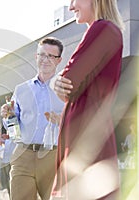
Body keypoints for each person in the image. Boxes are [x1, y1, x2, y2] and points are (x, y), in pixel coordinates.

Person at [49, 0, 124, 199]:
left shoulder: (101, 28)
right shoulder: (106, 30)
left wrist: (56, 81)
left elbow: (68, 84)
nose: (71, 6)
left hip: (84, 135)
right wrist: (57, 82)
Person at [0, 37, 65, 200]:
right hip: (23, 154)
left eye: (51, 56)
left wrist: (62, 120)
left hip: (54, 155)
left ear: (59, 60)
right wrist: (8, 115)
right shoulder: (21, 90)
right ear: (36, 57)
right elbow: (12, 127)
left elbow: (79, 122)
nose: (46, 59)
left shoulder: (67, 88)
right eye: (42, 55)